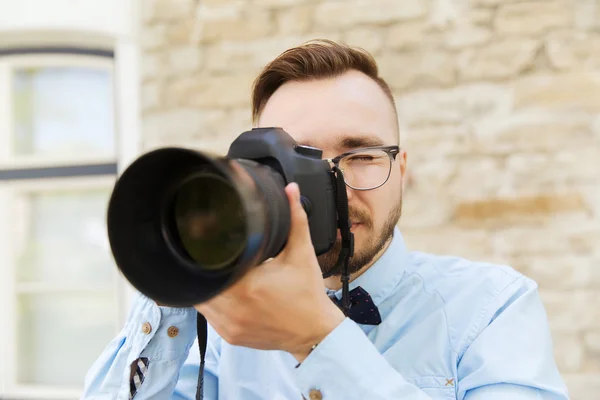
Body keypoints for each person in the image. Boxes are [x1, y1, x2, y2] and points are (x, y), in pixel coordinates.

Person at [82, 40, 569, 400]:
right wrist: (182, 267)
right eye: (300, 162)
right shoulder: (229, 325)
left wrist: (316, 337)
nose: (333, 187)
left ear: (401, 170)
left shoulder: (491, 308)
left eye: (361, 156)